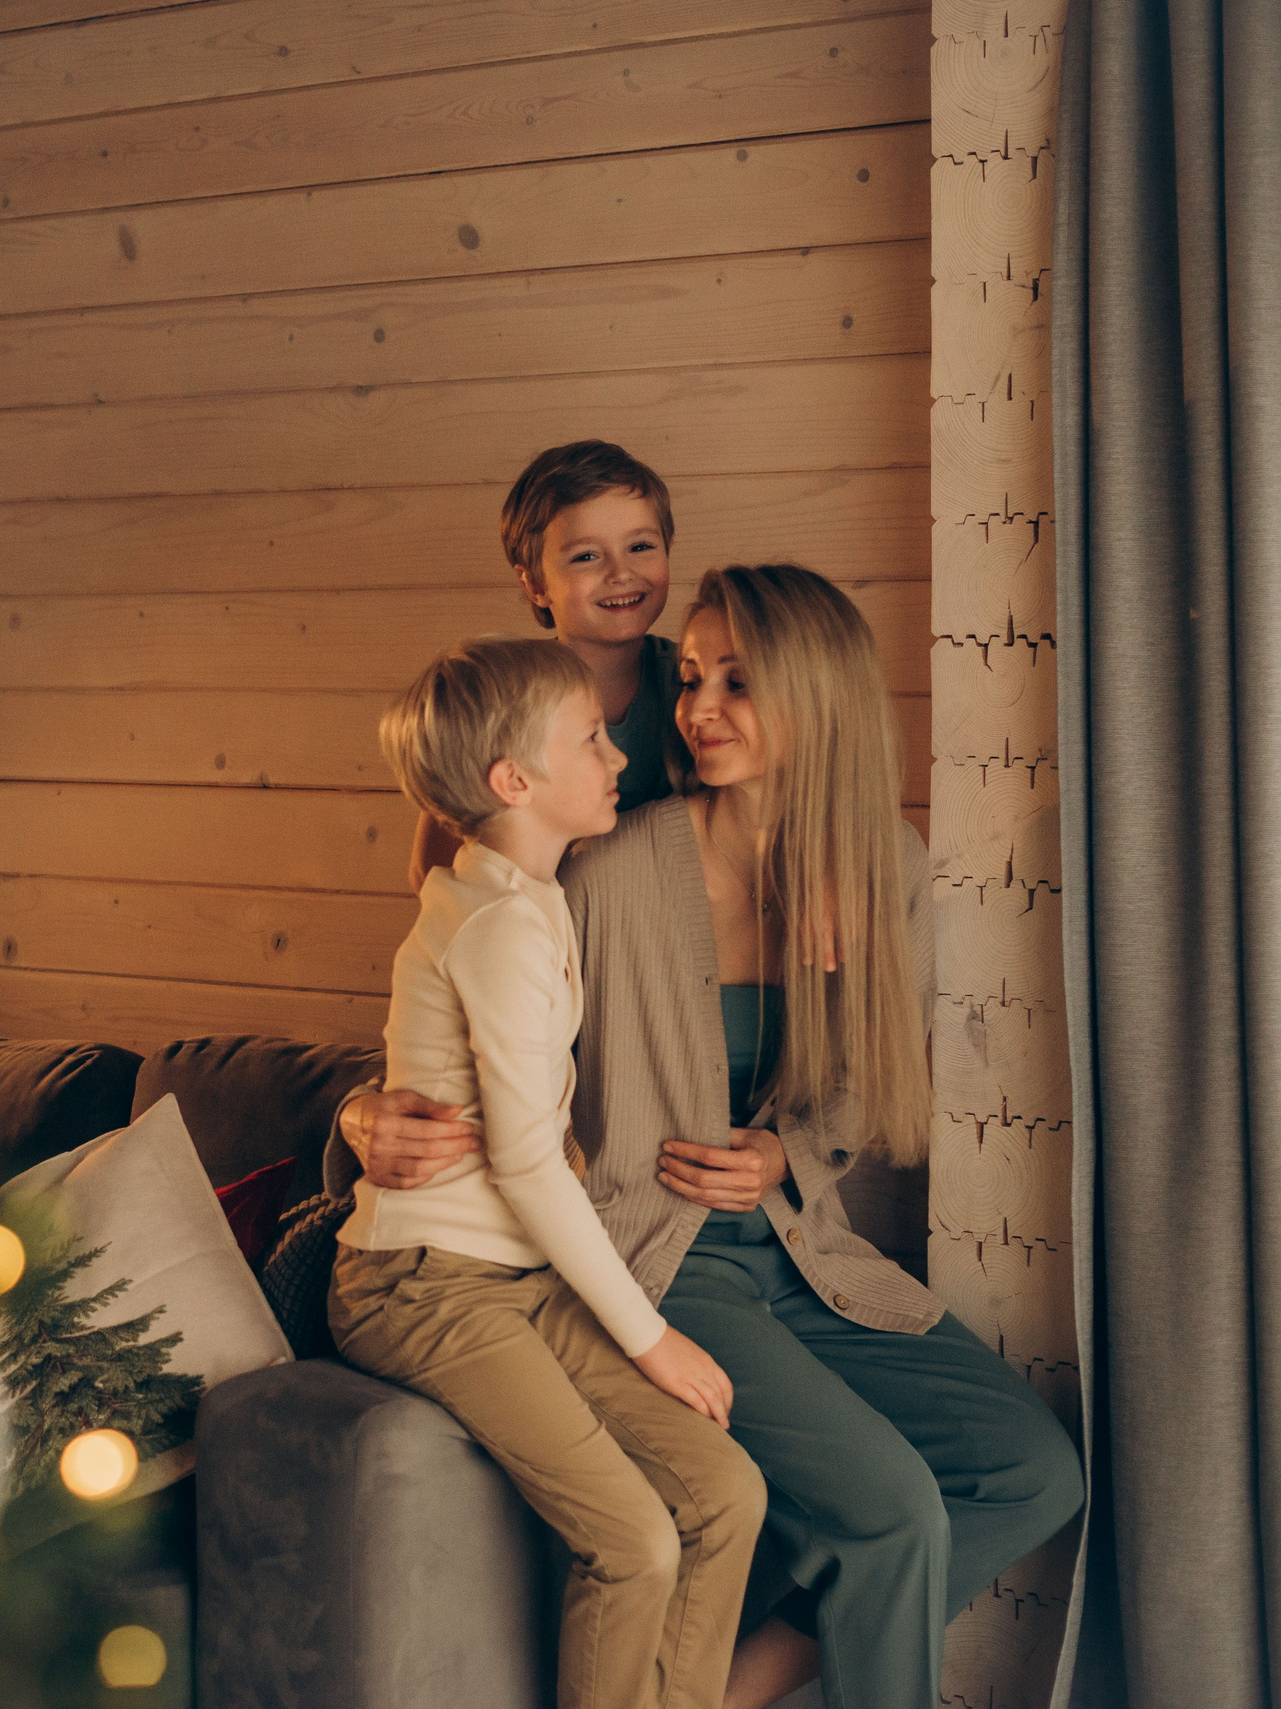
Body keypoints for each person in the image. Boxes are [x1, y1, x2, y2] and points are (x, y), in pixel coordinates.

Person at [337, 567, 1084, 1709]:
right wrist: (358, 1110)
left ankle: (729, 1689)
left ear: (819, 695)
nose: (698, 708)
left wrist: (789, 1151)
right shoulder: (608, 861)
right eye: (690, 677)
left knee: (1030, 1470)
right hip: (655, 1259)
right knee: (889, 1509)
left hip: (803, 1253)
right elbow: (456, 990)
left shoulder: (885, 862)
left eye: (737, 680)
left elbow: (858, 1094)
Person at [334, 635, 767, 1709]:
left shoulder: (523, 897)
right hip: (425, 1282)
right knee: (634, 1541)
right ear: (511, 781)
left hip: (513, 1277)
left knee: (726, 1490)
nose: (618, 750)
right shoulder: (498, 927)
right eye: (590, 738)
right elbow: (528, 1165)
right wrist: (650, 1337)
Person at [409, 439, 689, 888]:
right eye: (586, 556)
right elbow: (434, 869)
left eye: (641, 547)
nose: (620, 572)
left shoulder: (697, 681)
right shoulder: (504, 696)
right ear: (535, 583)